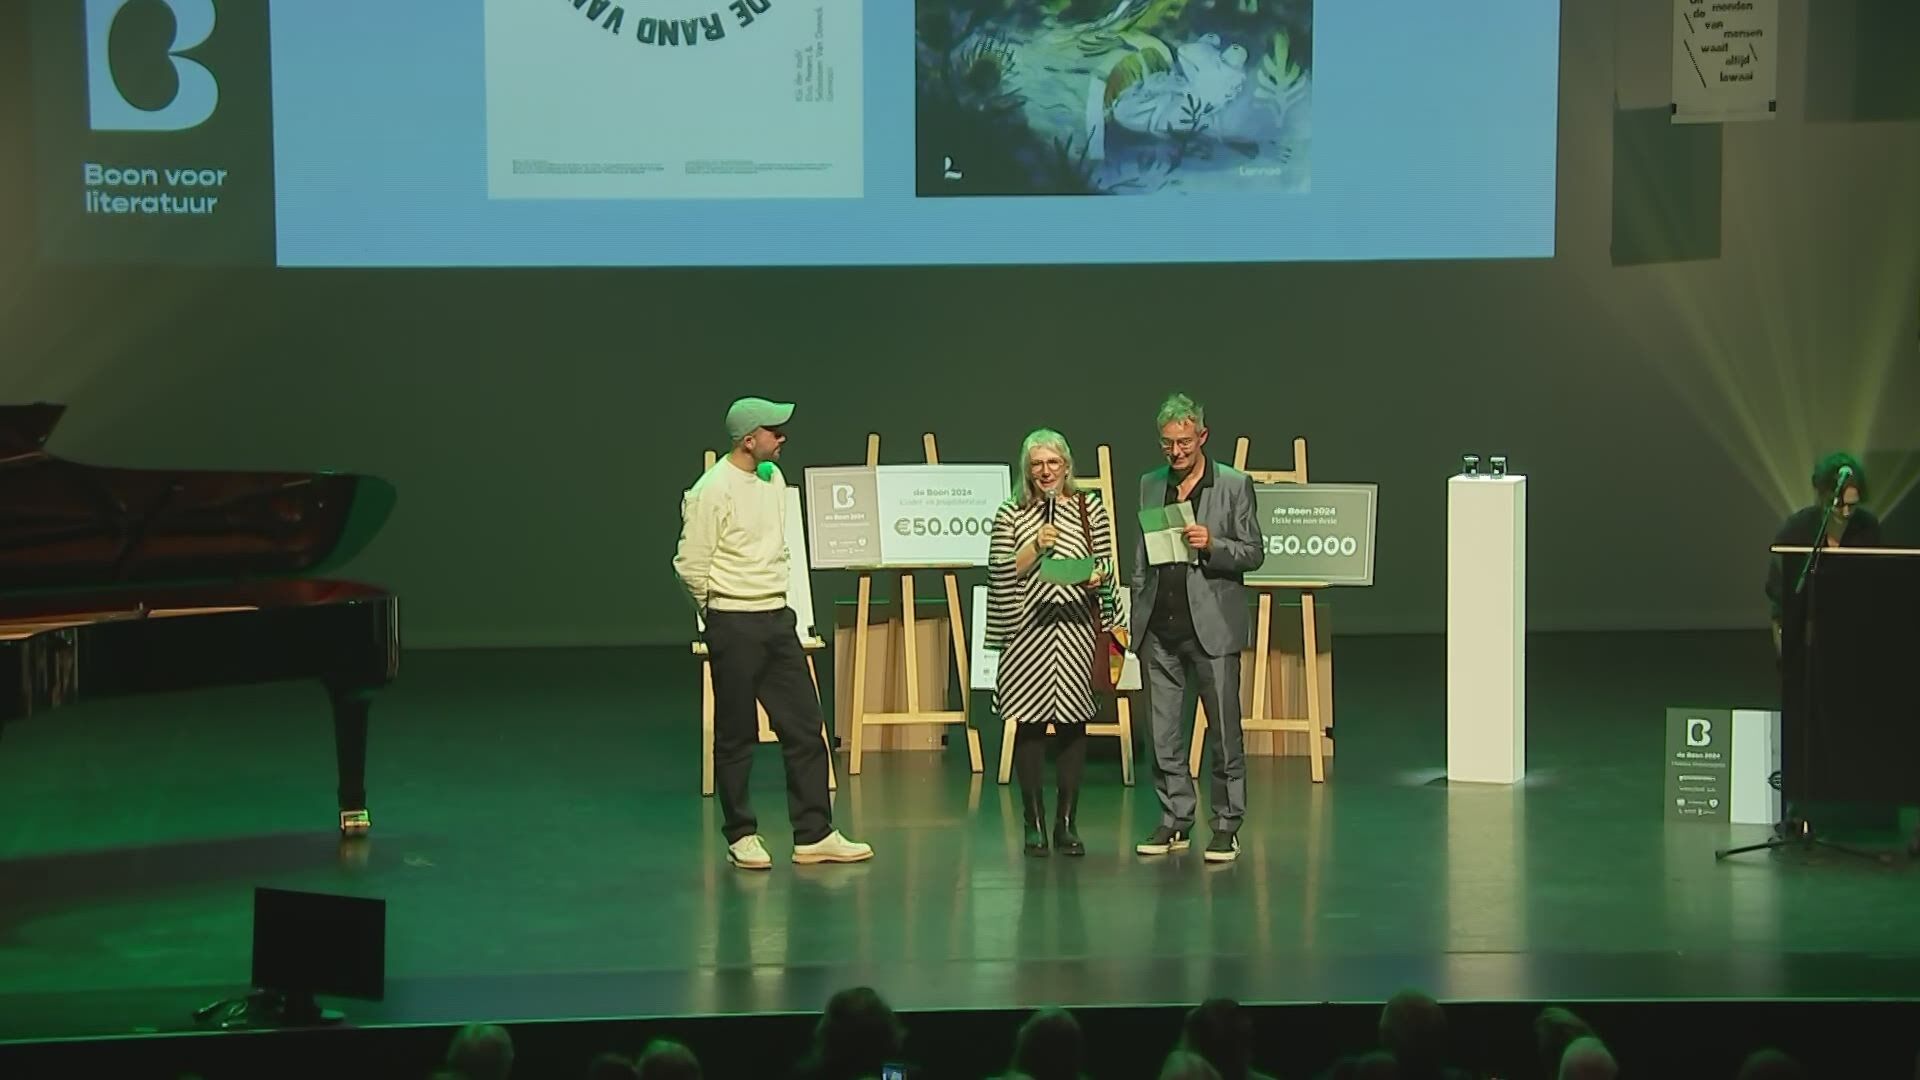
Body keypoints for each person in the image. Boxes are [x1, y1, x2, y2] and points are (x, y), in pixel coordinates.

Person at [673, 397, 871, 870]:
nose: (782, 438)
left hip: (777, 618)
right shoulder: (711, 491)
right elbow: (690, 566)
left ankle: (814, 834)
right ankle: (741, 835)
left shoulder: (773, 478)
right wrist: (718, 613)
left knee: (804, 725)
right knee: (736, 732)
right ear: (748, 440)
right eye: (773, 431)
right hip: (733, 621)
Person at [1131, 394, 1265, 863]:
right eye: (1168, 443)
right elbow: (1141, 557)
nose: (1176, 451)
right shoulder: (1150, 484)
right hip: (1159, 628)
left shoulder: (1232, 485)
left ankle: (1226, 824)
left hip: (1212, 627)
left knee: (1224, 733)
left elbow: (1254, 552)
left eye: (1184, 442)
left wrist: (1213, 545)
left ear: (1202, 436)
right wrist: (1136, 615)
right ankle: (1175, 819)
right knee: (1162, 734)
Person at [987, 429, 1120, 857]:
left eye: (1053, 463)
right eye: (1037, 464)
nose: (1046, 471)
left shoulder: (1089, 507)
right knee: (1029, 723)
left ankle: (1066, 823)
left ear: (1066, 466)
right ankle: (1034, 823)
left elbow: (1105, 563)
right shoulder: (1011, 512)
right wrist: (1035, 545)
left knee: (1072, 722)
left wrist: (1097, 576)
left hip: (1075, 629)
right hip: (1028, 630)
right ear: (1027, 470)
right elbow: (1001, 572)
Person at [1765, 451, 1883, 654]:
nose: (1846, 513)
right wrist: (1783, 645)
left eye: (1852, 505)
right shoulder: (1796, 529)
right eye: (1839, 505)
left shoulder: (1868, 527)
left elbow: (1877, 585)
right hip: (1805, 635)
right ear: (1821, 496)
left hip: (1854, 633)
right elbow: (1778, 594)